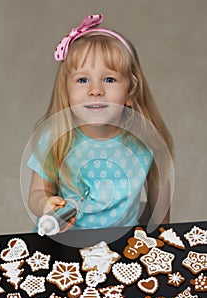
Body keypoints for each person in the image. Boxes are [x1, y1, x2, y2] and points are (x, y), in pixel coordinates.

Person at [27, 14, 174, 232]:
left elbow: (159, 197)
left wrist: (161, 236)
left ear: (130, 93)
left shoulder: (144, 140)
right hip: (68, 241)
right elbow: (37, 193)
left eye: (109, 79)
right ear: (66, 92)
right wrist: (45, 205)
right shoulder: (55, 138)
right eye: (82, 80)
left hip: (122, 241)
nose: (95, 90)